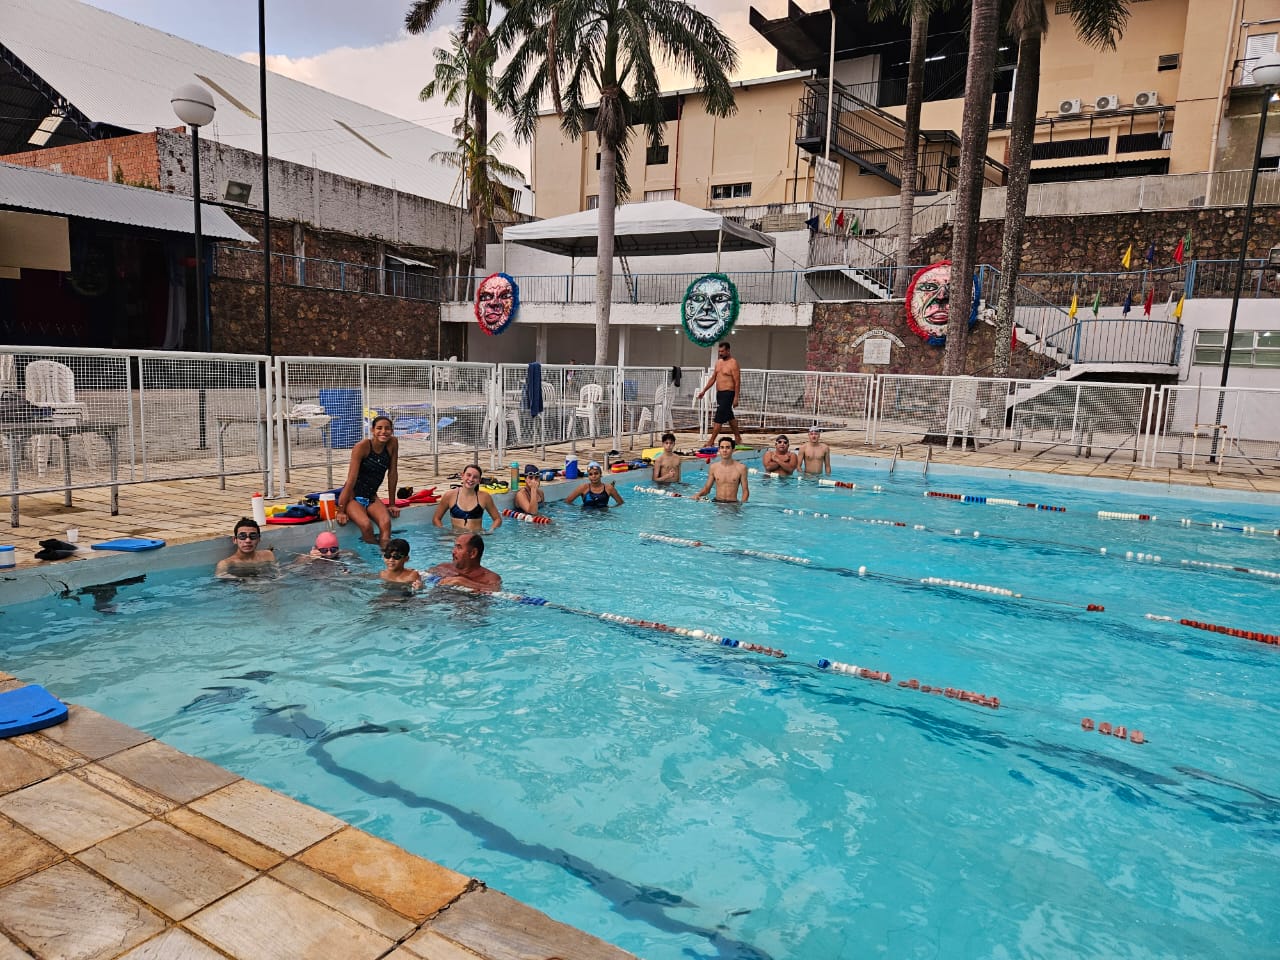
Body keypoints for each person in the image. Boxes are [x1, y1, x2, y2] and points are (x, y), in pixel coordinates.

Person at [337, 415, 400, 550]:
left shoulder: (393, 443)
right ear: (372, 430)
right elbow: (351, 479)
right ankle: (373, 557)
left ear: (392, 431)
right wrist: (341, 510)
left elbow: (393, 473)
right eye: (379, 428)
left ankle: (386, 556)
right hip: (353, 498)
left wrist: (392, 503)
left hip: (371, 496)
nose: (383, 432)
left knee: (386, 524)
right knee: (366, 525)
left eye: (387, 429)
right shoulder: (362, 447)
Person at [695, 341, 742, 447]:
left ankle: (711, 441)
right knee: (730, 416)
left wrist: (736, 398)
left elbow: (737, 381)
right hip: (720, 394)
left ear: (728, 351)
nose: (720, 353)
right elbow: (713, 378)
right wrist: (704, 390)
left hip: (729, 393)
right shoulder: (718, 363)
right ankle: (738, 437)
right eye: (719, 351)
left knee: (719, 417)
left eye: (722, 351)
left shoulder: (733, 363)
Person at [434, 463, 503, 532]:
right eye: (468, 475)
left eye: (475, 477)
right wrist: (444, 532)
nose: (471, 479)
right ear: (462, 476)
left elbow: (497, 519)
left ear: (479, 481)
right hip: (456, 538)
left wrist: (490, 531)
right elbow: (436, 518)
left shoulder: (484, 497)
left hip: (476, 538)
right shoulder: (450, 495)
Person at [429, 532, 502, 593]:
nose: (453, 551)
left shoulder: (489, 577)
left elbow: (496, 590)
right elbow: (425, 576)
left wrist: (463, 581)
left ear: (473, 553)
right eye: (455, 547)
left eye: (459, 547)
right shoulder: (443, 567)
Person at [694, 437, 749, 503]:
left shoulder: (741, 468)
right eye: (722, 447)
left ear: (733, 450)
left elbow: (745, 491)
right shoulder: (713, 467)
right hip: (717, 503)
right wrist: (698, 495)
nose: (724, 450)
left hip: (733, 504)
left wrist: (742, 504)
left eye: (727, 447)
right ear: (719, 450)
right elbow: (707, 489)